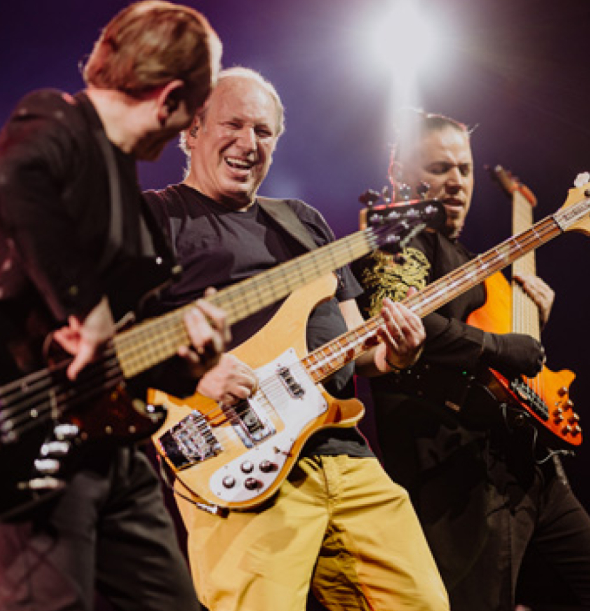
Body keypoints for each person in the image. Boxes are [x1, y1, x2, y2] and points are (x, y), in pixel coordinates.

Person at [0, 0, 225, 611]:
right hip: (25, 434)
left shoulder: (128, 190)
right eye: (196, 107)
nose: (186, 129)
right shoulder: (54, 119)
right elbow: (12, 179)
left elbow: (125, 341)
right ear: (170, 98)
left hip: (112, 443)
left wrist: (187, 361)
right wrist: (86, 305)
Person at [142, 67, 449, 611]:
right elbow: (110, 337)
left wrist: (395, 353)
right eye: (233, 125)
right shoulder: (155, 217)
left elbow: (359, 347)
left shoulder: (302, 220)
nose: (248, 143)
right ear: (192, 130)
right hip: (238, 460)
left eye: (263, 131)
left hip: (343, 450)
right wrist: (196, 371)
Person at [352, 111, 590, 611]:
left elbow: (498, 359)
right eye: (439, 167)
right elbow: (399, 320)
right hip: (457, 475)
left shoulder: (472, 262)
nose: (456, 181)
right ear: (400, 172)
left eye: (464, 168)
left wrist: (530, 328)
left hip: (529, 462)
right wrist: (506, 347)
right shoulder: (396, 236)